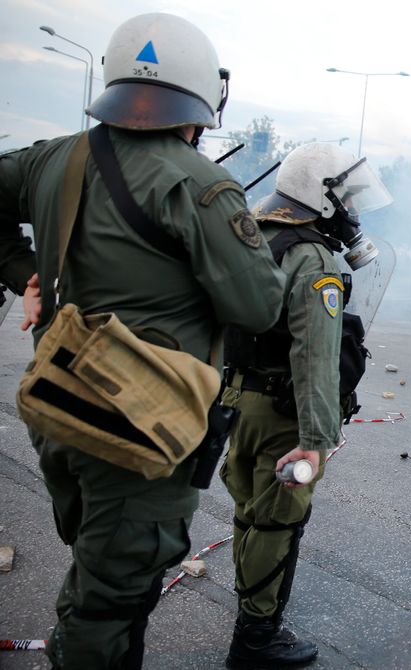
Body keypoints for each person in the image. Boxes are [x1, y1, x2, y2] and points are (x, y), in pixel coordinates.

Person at [0, 13, 286, 669]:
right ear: (200, 98)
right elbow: (258, 306)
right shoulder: (200, 183)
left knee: (95, 563)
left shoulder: (54, 157)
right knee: (115, 599)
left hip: (57, 400)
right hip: (138, 425)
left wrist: (25, 275)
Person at [220, 141, 393, 668]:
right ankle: (255, 640)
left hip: (237, 397)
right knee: (277, 519)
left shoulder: (250, 235)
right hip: (283, 409)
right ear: (319, 196)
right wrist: (314, 442)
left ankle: (253, 608)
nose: (351, 212)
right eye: (345, 199)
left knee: (250, 511)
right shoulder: (311, 256)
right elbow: (315, 356)